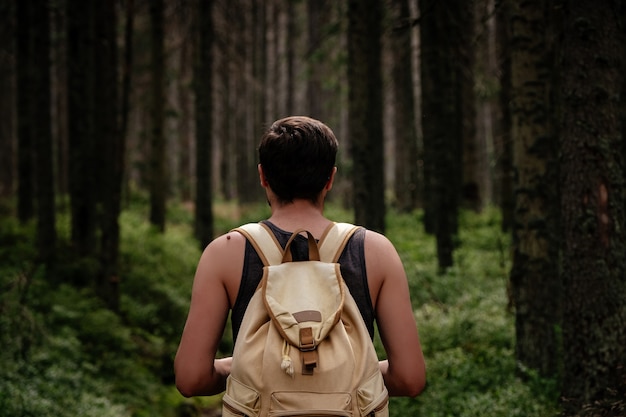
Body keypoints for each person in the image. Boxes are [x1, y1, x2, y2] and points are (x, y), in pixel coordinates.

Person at [174, 116, 426, 399]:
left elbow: (191, 379)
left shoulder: (225, 252)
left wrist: (255, 366)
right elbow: (410, 379)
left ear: (262, 176)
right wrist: (344, 372)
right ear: (330, 178)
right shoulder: (375, 251)